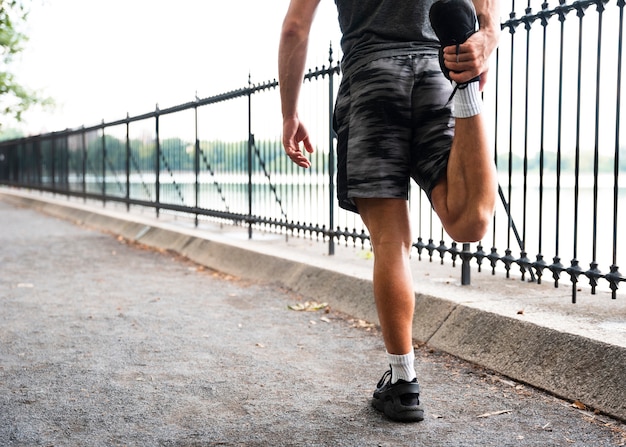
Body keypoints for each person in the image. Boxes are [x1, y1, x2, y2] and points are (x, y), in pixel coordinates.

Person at [279, 0, 500, 422]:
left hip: (371, 79)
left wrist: (290, 113)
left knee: (390, 241)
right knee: (467, 221)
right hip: (438, 72)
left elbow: (295, 28)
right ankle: (466, 92)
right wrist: (484, 37)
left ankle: (403, 383)